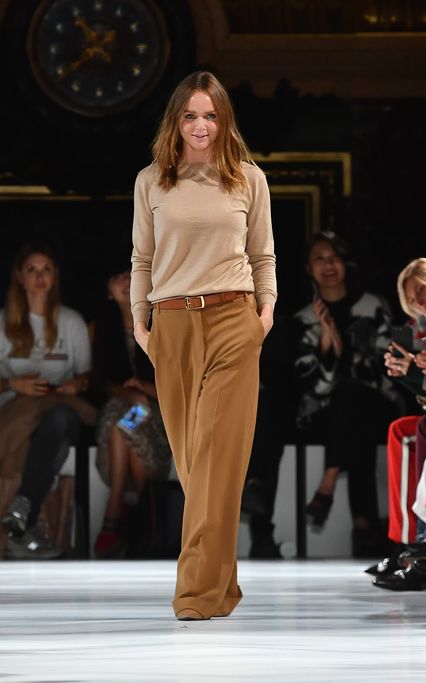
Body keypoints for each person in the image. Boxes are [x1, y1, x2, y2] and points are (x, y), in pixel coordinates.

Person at [130, 71, 276, 620]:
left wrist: (264, 315)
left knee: (216, 458)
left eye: (210, 115)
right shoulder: (152, 182)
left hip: (234, 320)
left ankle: (194, 594)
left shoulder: (247, 179)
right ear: (176, 121)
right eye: (190, 115)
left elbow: (264, 255)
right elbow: (142, 260)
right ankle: (224, 586)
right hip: (170, 325)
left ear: (223, 120)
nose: (200, 125)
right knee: (195, 466)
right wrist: (140, 327)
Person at [0, 243, 95, 560]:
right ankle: (25, 526)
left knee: (58, 417)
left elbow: (88, 378)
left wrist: (76, 385)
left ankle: (23, 511)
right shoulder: (0, 322)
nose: (39, 277)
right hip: (13, 408)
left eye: (46, 269)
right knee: (53, 434)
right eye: (32, 269)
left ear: (55, 276)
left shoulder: (71, 321)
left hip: (59, 407)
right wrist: (13, 383)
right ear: (19, 277)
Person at [296, 231, 402, 558]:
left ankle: (329, 483)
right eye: (319, 259)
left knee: (355, 397)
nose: (328, 265)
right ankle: (364, 525)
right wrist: (330, 349)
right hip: (326, 414)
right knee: (353, 417)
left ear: (345, 263)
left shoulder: (372, 306)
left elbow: (388, 365)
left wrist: (346, 355)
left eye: (334, 258)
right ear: (309, 268)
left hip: (377, 402)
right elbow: (315, 387)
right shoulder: (304, 319)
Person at [89, 270, 171, 558]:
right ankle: (144, 520)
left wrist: (146, 391)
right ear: (108, 291)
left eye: (131, 274)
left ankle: (114, 514)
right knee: (119, 413)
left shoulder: (164, 324)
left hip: (161, 420)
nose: (125, 281)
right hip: (121, 429)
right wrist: (131, 395)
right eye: (118, 276)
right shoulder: (101, 328)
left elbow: (182, 387)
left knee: (124, 418)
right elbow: (98, 385)